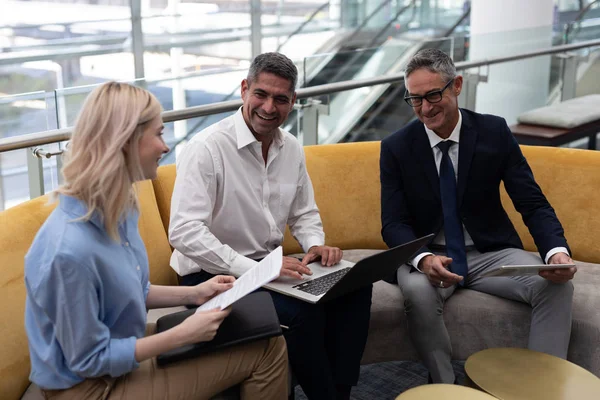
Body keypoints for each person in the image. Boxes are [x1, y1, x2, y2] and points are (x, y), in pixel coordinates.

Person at [24, 82, 288, 399]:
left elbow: (128, 289)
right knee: (266, 351)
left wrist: (195, 293)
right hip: (89, 388)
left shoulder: (114, 210)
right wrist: (181, 335)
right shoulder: (69, 252)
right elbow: (89, 360)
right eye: (159, 134)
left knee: (261, 336)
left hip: (117, 353)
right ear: (127, 142)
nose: (165, 147)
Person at [169, 52, 372, 400]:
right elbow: (184, 232)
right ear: (244, 89)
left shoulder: (290, 147)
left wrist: (314, 245)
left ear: (293, 101)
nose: (268, 106)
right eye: (261, 94)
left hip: (268, 269)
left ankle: (339, 393)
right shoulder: (206, 149)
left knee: (355, 289)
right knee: (303, 314)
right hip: (211, 276)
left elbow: (304, 213)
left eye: (280, 99)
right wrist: (259, 270)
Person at [380, 49, 577, 384]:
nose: (425, 109)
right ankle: (445, 386)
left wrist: (556, 252)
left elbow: (532, 203)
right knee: (417, 292)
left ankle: (540, 387)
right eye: (415, 100)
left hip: (489, 253)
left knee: (557, 287)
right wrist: (424, 259)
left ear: (456, 85)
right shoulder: (396, 147)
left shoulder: (493, 132)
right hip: (432, 254)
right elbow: (393, 223)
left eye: (433, 95)